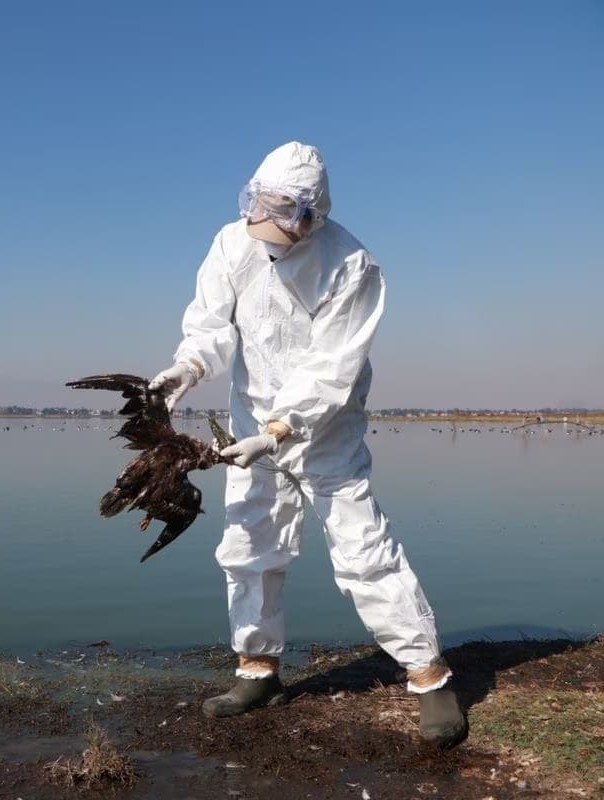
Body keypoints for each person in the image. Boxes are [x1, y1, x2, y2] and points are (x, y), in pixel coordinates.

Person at [149, 142, 468, 749]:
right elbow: (211, 324)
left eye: (281, 213)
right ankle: (256, 670)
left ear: (311, 216)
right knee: (248, 548)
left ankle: (430, 677)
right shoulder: (232, 243)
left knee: (364, 551)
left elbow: (332, 366)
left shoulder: (352, 264)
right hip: (249, 423)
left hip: (325, 431)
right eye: (258, 206)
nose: (263, 223)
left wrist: (279, 431)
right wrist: (187, 367)